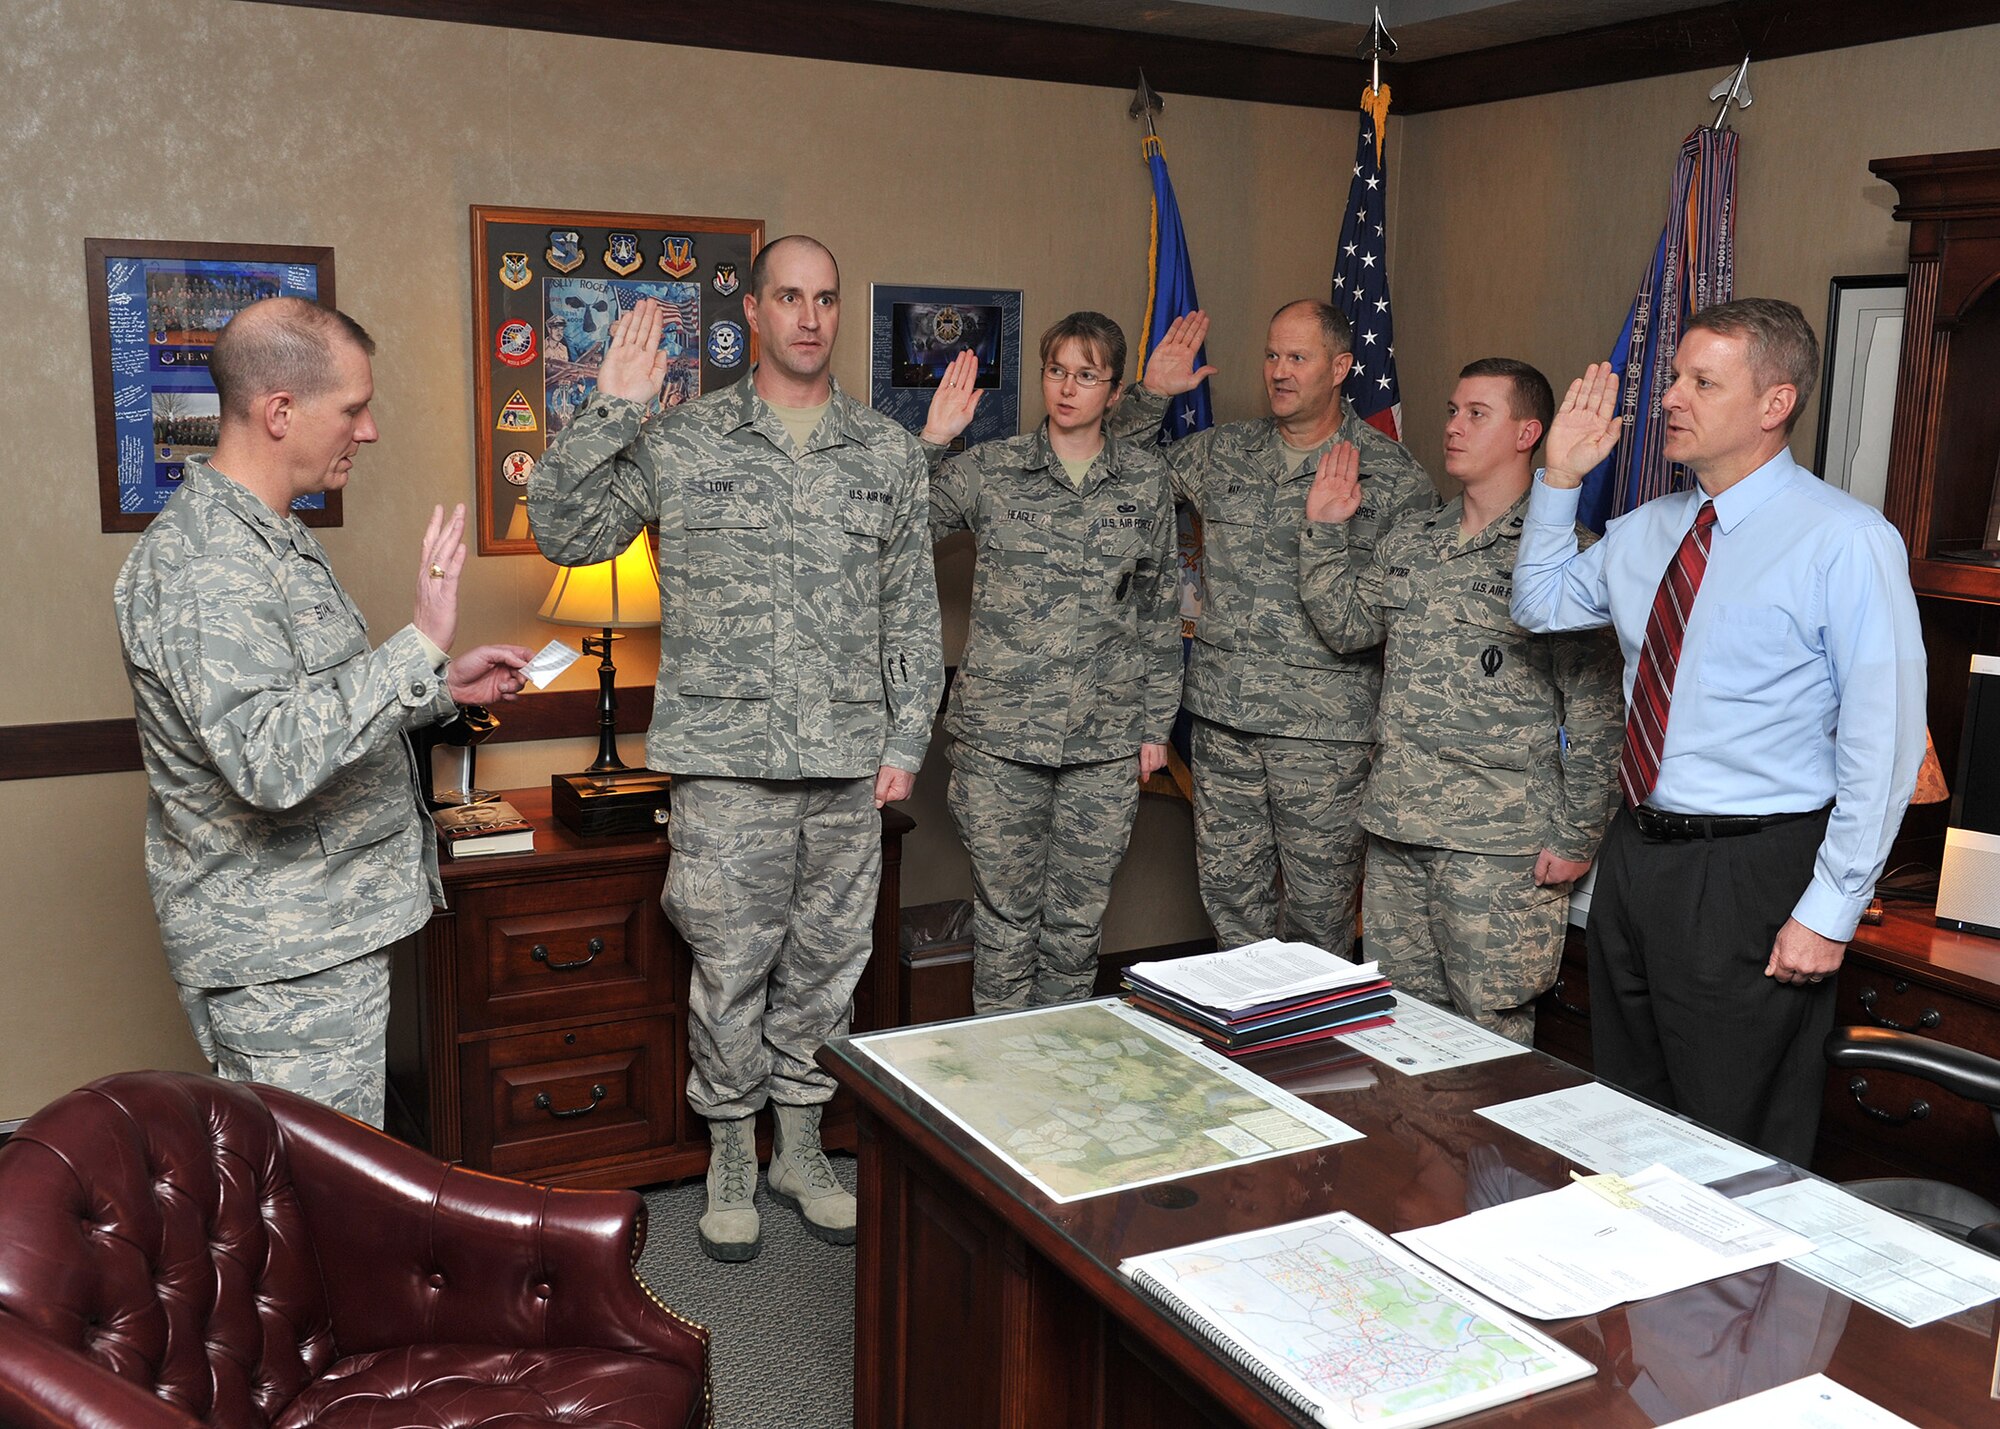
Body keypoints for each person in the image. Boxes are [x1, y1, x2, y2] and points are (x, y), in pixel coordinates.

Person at [529, 235, 942, 1262]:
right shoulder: (685, 439)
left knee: (826, 968)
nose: (809, 316)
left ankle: (799, 1149)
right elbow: (565, 531)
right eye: (788, 297)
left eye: (826, 299)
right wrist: (612, 405)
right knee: (727, 967)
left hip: (846, 763)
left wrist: (906, 737)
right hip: (724, 764)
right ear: (752, 312)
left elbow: (912, 613)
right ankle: (728, 1150)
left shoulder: (885, 453)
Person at [1512, 298, 1927, 1164]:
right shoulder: (1645, 529)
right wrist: (1557, 483)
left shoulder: (1846, 542)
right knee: (1627, 1121)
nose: (1671, 397)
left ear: (1774, 404)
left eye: (1703, 381)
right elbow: (1541, 605)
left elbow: (1883, 744)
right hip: (1637, 860)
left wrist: (1831, 906)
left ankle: (1736, 1299)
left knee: (1732, 1143)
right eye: (1674, 377)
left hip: (1752, 870)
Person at [114, 297, 532, 1129]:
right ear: (279, 412)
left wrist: (440, 691)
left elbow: (311, 707)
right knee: (315, 1207)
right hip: (283, 958)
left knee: (324, 1193)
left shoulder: (272, 536)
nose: (368, 430)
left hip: (319, 938)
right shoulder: (208, 565)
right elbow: (271, 758)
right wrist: (416, 647)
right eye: (352, 408)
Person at [1298, 358, 1622, 1042]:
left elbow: (1595, 708)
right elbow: (1349, 627)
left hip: (1499, 845)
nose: (1453, 426)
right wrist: (1326, 534)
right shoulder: (1413, 539)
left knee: (1490, 1035)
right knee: (1399, 1031)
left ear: (1528, 432)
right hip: (1398, 825)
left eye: (1477, 413)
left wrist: (1577, 834)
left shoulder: (1568, 557)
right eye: (1451, 410)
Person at [1111, 303, 1435, 957]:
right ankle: (1244, 1051)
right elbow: (1112, 481)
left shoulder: (1393, 479)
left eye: (1297, 358)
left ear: (1341, 367)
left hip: (1323, 738)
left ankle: (1313, 1058)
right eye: (1271, 356)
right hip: (1224, 724)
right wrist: (1152, 398)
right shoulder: (1224, 452)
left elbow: (1368, 625)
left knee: (1319, 922)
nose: (1278, 372)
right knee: (1232, 912)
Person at [916, 314, 1180, 1012]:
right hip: (1001, 740)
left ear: (1114, 390)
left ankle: (1060, 1084)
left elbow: (1158, 609)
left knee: (1074, 928)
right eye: (1056, 370)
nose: (1067, 388)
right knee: (1005, 927)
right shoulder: (991, 469)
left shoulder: (1146, 483)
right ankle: (999, 1096)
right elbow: (896, 527)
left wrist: (1155, 726)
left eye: (1087, 375)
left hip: (1104, 738)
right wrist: (934, 441)